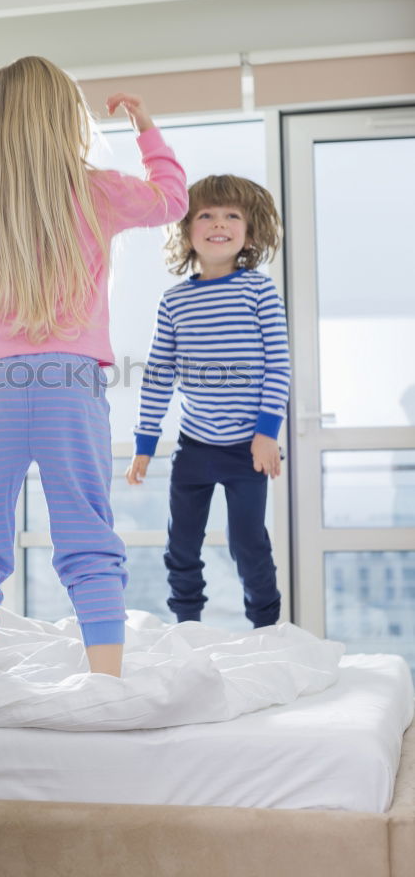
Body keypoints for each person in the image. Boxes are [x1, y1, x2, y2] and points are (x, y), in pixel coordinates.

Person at [0, 56, 188, 677]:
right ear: (68, 119)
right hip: (71, 383)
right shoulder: (99, 189)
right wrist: (146, 127)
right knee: (86, 530)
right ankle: (106, 679)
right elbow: (173, 201)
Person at [126, 175, 290, 628]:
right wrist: (144, 443)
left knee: (248, 544)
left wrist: (266, 434)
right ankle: (188, 628)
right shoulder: (174, 301)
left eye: (232, 215)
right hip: (195, 447)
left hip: (247, 449)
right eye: (206, 215)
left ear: (250, 233)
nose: (219, 223)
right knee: (181, 546)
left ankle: (267, 629)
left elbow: (278, 367)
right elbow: (158, 375)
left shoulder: (259, 291)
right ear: (186, 230)